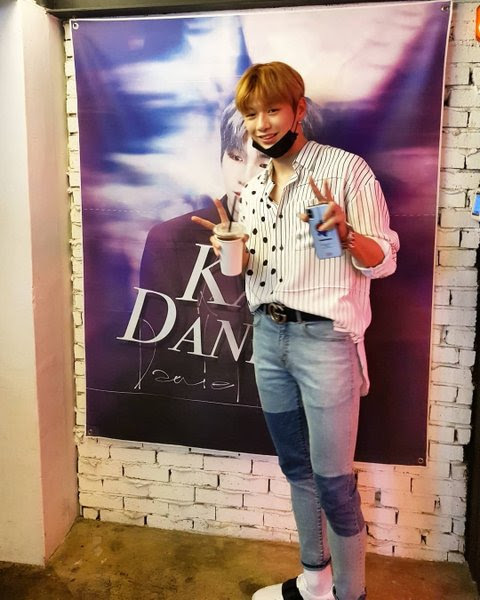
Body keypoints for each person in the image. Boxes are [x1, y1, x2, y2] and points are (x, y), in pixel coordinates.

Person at [192, 62, 399, 600]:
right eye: (251, 114)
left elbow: (384, 261)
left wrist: (348, 236)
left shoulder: (346, 171)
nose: (261, 124)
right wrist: (230, 247)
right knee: (296, 468)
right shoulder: (254, 187)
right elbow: (250, 272)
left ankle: (350, 594)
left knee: (334, 481)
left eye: (272, 110)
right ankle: (315, 581)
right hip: (268, 338)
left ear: (298, 109)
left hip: (326, 342)